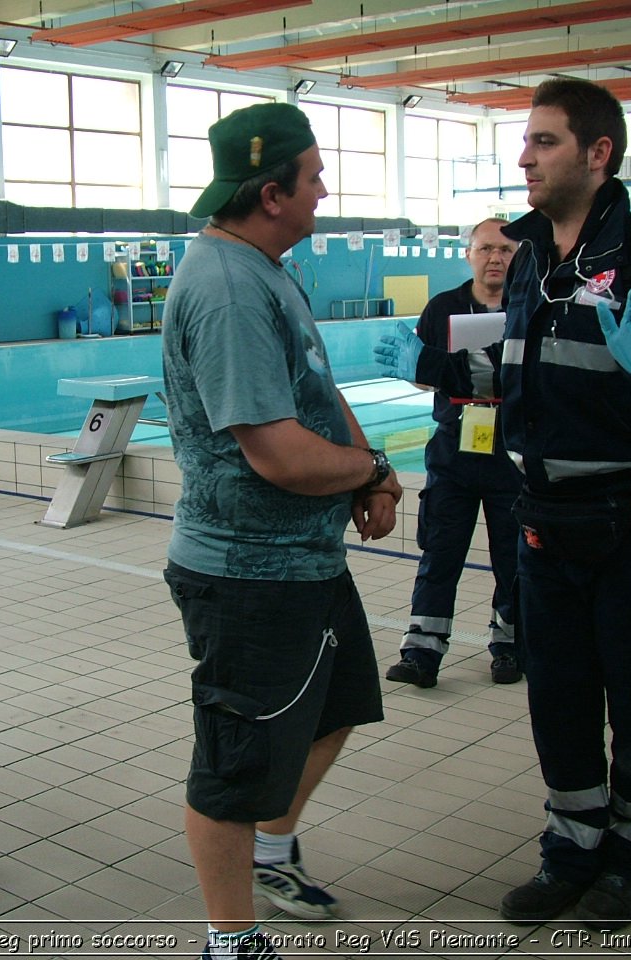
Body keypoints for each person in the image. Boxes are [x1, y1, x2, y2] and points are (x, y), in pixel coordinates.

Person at [375, 78, 631, 930]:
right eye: (526, 141)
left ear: (597, 153)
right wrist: (431, 368)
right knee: (561, 697)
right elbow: (516, 377)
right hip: (546, 521)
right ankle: (570, 847)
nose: (523, 156)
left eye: (543, 141)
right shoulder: (533, 257)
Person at [162, 102, 402, 960]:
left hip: (302, 562)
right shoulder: (226, 289)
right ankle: (233, 942)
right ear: (272, 193)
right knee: (233, 768)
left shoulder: (265, 267)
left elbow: (316, 388)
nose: (324, 190)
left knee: (338, 709)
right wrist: (367, 474)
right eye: (314, 176)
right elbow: (278, 454)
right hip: (248, 573)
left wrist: (370, 466)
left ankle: (270, 852)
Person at [384, 217, 524, 689]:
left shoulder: (531, 306)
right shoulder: (444, 307)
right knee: (440, 550)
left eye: (505, 250)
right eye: (486, 249)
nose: (495, 258)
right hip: (454, 444)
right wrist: (422, 369)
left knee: (514, 554)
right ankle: (422, 651)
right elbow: (422, 374)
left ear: (518, 256)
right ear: (469, 253)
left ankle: (509, 645)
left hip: (513, 447)